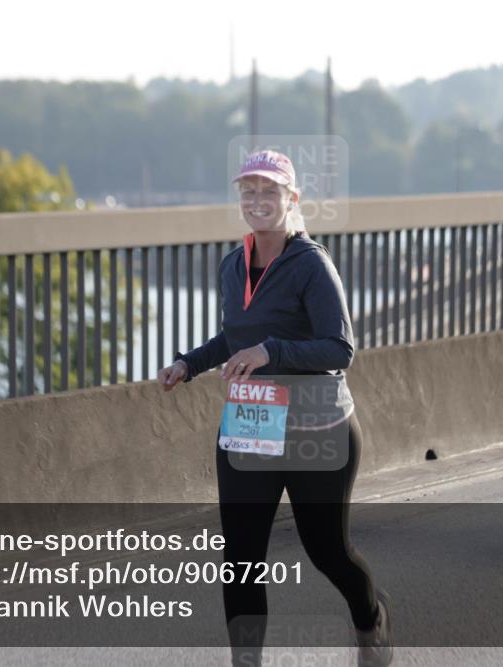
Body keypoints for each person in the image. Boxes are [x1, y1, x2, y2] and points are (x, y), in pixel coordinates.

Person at [157, 149, 393, 667]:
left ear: (292, 199)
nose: (257, 200)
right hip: (252, 423)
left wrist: (272, 351)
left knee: (327, 550)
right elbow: (235, 337)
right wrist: (188, 363)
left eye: (269, 191)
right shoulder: (232, 263)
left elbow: (340, 348)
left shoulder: (311, 265)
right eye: (248, 190)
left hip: (317, 427)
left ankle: (369, 615)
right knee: (240, 561)